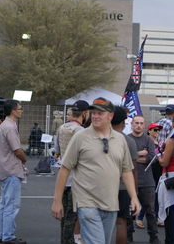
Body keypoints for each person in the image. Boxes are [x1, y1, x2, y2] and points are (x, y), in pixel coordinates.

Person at [51, 97, 140, 244]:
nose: (95, 116)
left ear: (110, 116)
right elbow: (65, 168)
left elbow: (126, 171)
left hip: (111, 203)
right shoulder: (80, 137)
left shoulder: (120, 140)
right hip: (86, 202)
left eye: (100, 113)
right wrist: (57, 200)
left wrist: (134, 197)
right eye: (93, 113)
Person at [0, 100, 27, 244]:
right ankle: (8, 236)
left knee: (5, 204)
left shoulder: (4, 125)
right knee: (11, 204)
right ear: (13, 110)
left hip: (4, 169)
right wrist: (24, 159)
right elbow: (17, 150)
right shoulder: (10, 126)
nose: (21, 110)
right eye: (20, 108)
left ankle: (3, 234)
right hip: (11, 169)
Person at [55, 100, 89, 244]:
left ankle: (64, 239)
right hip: (77, 177)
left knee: (65, 215)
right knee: (73, 215)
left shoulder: (61, 128)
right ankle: (68, 241)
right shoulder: (81, 131)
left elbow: (56, 151)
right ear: (84, 114)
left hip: (63, 176)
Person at [128, 115, 160, 244]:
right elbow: (124, 158)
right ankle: (128, 237)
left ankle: (154, 237)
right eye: (136, 123)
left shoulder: (148, 140)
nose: (139, 125)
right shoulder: (127, 139)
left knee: (151, 212)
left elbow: (152, 158)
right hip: (129, 181)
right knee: (129, 212)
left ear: (144, 125)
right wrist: (140, 153)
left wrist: (133, 157)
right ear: (132, 124)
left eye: (141, 123)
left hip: (147, 181)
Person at [111, 106, 138, 244]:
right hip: (123, 188)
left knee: (101, 222)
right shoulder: (129, 141)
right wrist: (135, 192)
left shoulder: (100, 137)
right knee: (121, 222)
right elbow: (132, 170)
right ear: (124, 121)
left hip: (103, 187)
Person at [157, 112, 174, 244]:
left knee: (171, 211)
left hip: (171, 177)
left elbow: (164, 162)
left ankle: (171, 240)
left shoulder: (172, 140)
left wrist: (158, 154)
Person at [147, 122, 164, 227]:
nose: (157, 132)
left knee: (157, 195)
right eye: (155, 130)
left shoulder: (160, 143)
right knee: (148, 196)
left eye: (158, 130)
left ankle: (157, 217)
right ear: (149, 131)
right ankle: (139, 217)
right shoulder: (146, 142)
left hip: (159, 171)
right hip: (149, 171)